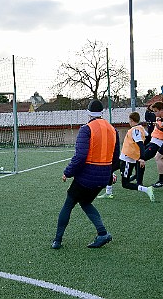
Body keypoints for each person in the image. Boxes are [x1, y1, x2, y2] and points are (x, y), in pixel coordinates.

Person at [51, 99, 120, 249]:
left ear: (88, 114)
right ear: (102, 113)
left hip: (87, 176)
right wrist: (109, 174)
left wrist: (67, 172)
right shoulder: (113, 130)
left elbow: (80, 157)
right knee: (85, 202)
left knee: (69, 203)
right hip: (102, 177)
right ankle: (102, 234)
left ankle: (57, 240)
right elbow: (116, 159)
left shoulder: (86, 129)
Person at [119, 112, 155, 202]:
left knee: (125, 184)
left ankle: (146, 190)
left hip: (128, 158)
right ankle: (108, 184)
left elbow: (140, 144)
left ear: (131, 120)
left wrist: (142, 158)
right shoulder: (141, 128)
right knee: (112, 167)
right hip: (125, 157)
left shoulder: (135, 130)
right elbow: (148, 137)